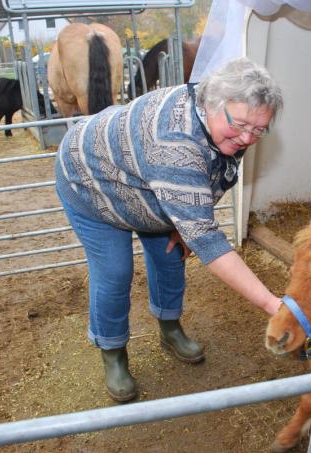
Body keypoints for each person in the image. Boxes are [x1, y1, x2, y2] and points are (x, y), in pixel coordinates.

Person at [55, 57, 284, 402]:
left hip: (148, 186)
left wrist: (184, 220)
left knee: (171, 256)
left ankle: (169, 326)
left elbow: (212, 172)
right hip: (91, 184)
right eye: (240, 126)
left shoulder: (226, 124)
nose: (247, 138)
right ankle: (113, 353)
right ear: (211, 104)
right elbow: (207, 238)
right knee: (115, 272)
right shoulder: (173, 141)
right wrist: (271, 303)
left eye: (258, 130)